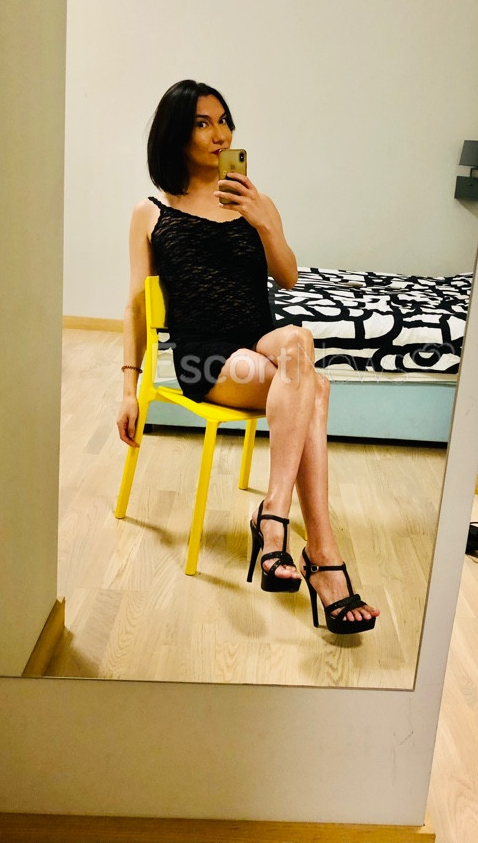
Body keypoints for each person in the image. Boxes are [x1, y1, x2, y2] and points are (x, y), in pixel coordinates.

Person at [116, 80, 378, 634]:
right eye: (203, 123)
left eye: (224, 121)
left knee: (298, 341)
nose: (220, 134)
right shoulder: (151, 211)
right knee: (316, 389)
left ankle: (274, 514)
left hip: (261, 338)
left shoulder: (254, 201)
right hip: (203, 357)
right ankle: (322, 555)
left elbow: (288, 276)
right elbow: (137, 306)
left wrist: (264, 221)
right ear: (176, 134)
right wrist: (128, 388)